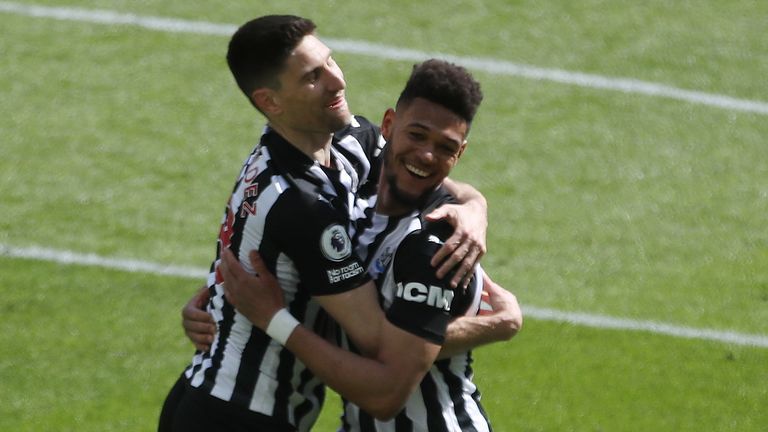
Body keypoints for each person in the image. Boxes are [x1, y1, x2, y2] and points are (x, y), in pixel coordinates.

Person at [158, 15, 490, 432]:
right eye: (313, 77)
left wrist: (476, 208)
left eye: (330, 61)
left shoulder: (345, 142)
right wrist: (495, 325)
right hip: (240, 414)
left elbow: (419, 167)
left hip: (216, 393)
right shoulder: (302, 203)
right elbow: (378, 342)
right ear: (271, 102)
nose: (336, 82)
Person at [219, 59, 522, 431]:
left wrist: (273, 319)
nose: (427, 155)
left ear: (459, 155)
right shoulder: (355, 205)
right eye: (417, 135)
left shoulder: (432, 242)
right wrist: (214, 303)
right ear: (389, 126)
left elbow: (388, 385)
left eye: (446, 147)